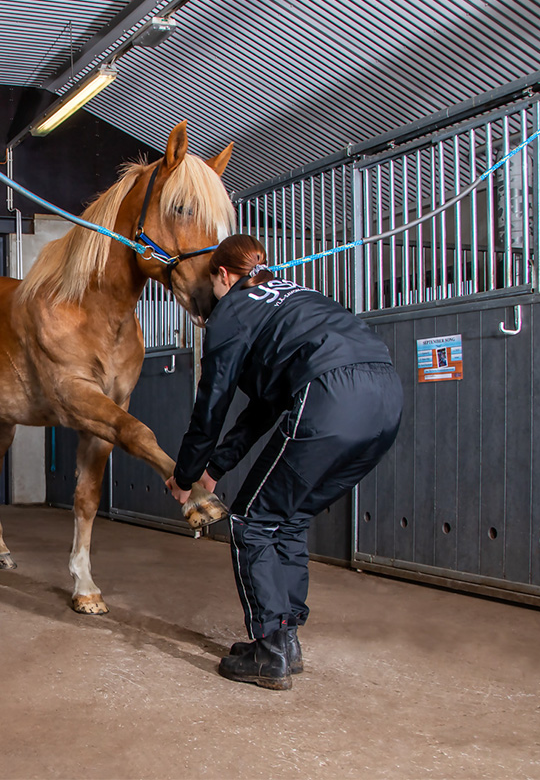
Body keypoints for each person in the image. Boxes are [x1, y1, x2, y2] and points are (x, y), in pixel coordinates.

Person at [166, 233, 403, 691]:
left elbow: (212, 402)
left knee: (250, 524)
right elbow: (263, 408)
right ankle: (285, 640)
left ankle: (269, 651)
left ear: (222, 275)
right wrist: (213, 471)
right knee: (287, 519)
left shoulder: (233, 309)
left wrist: (185, 474)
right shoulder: (299, 295)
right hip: (386, 400)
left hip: (332, 395)